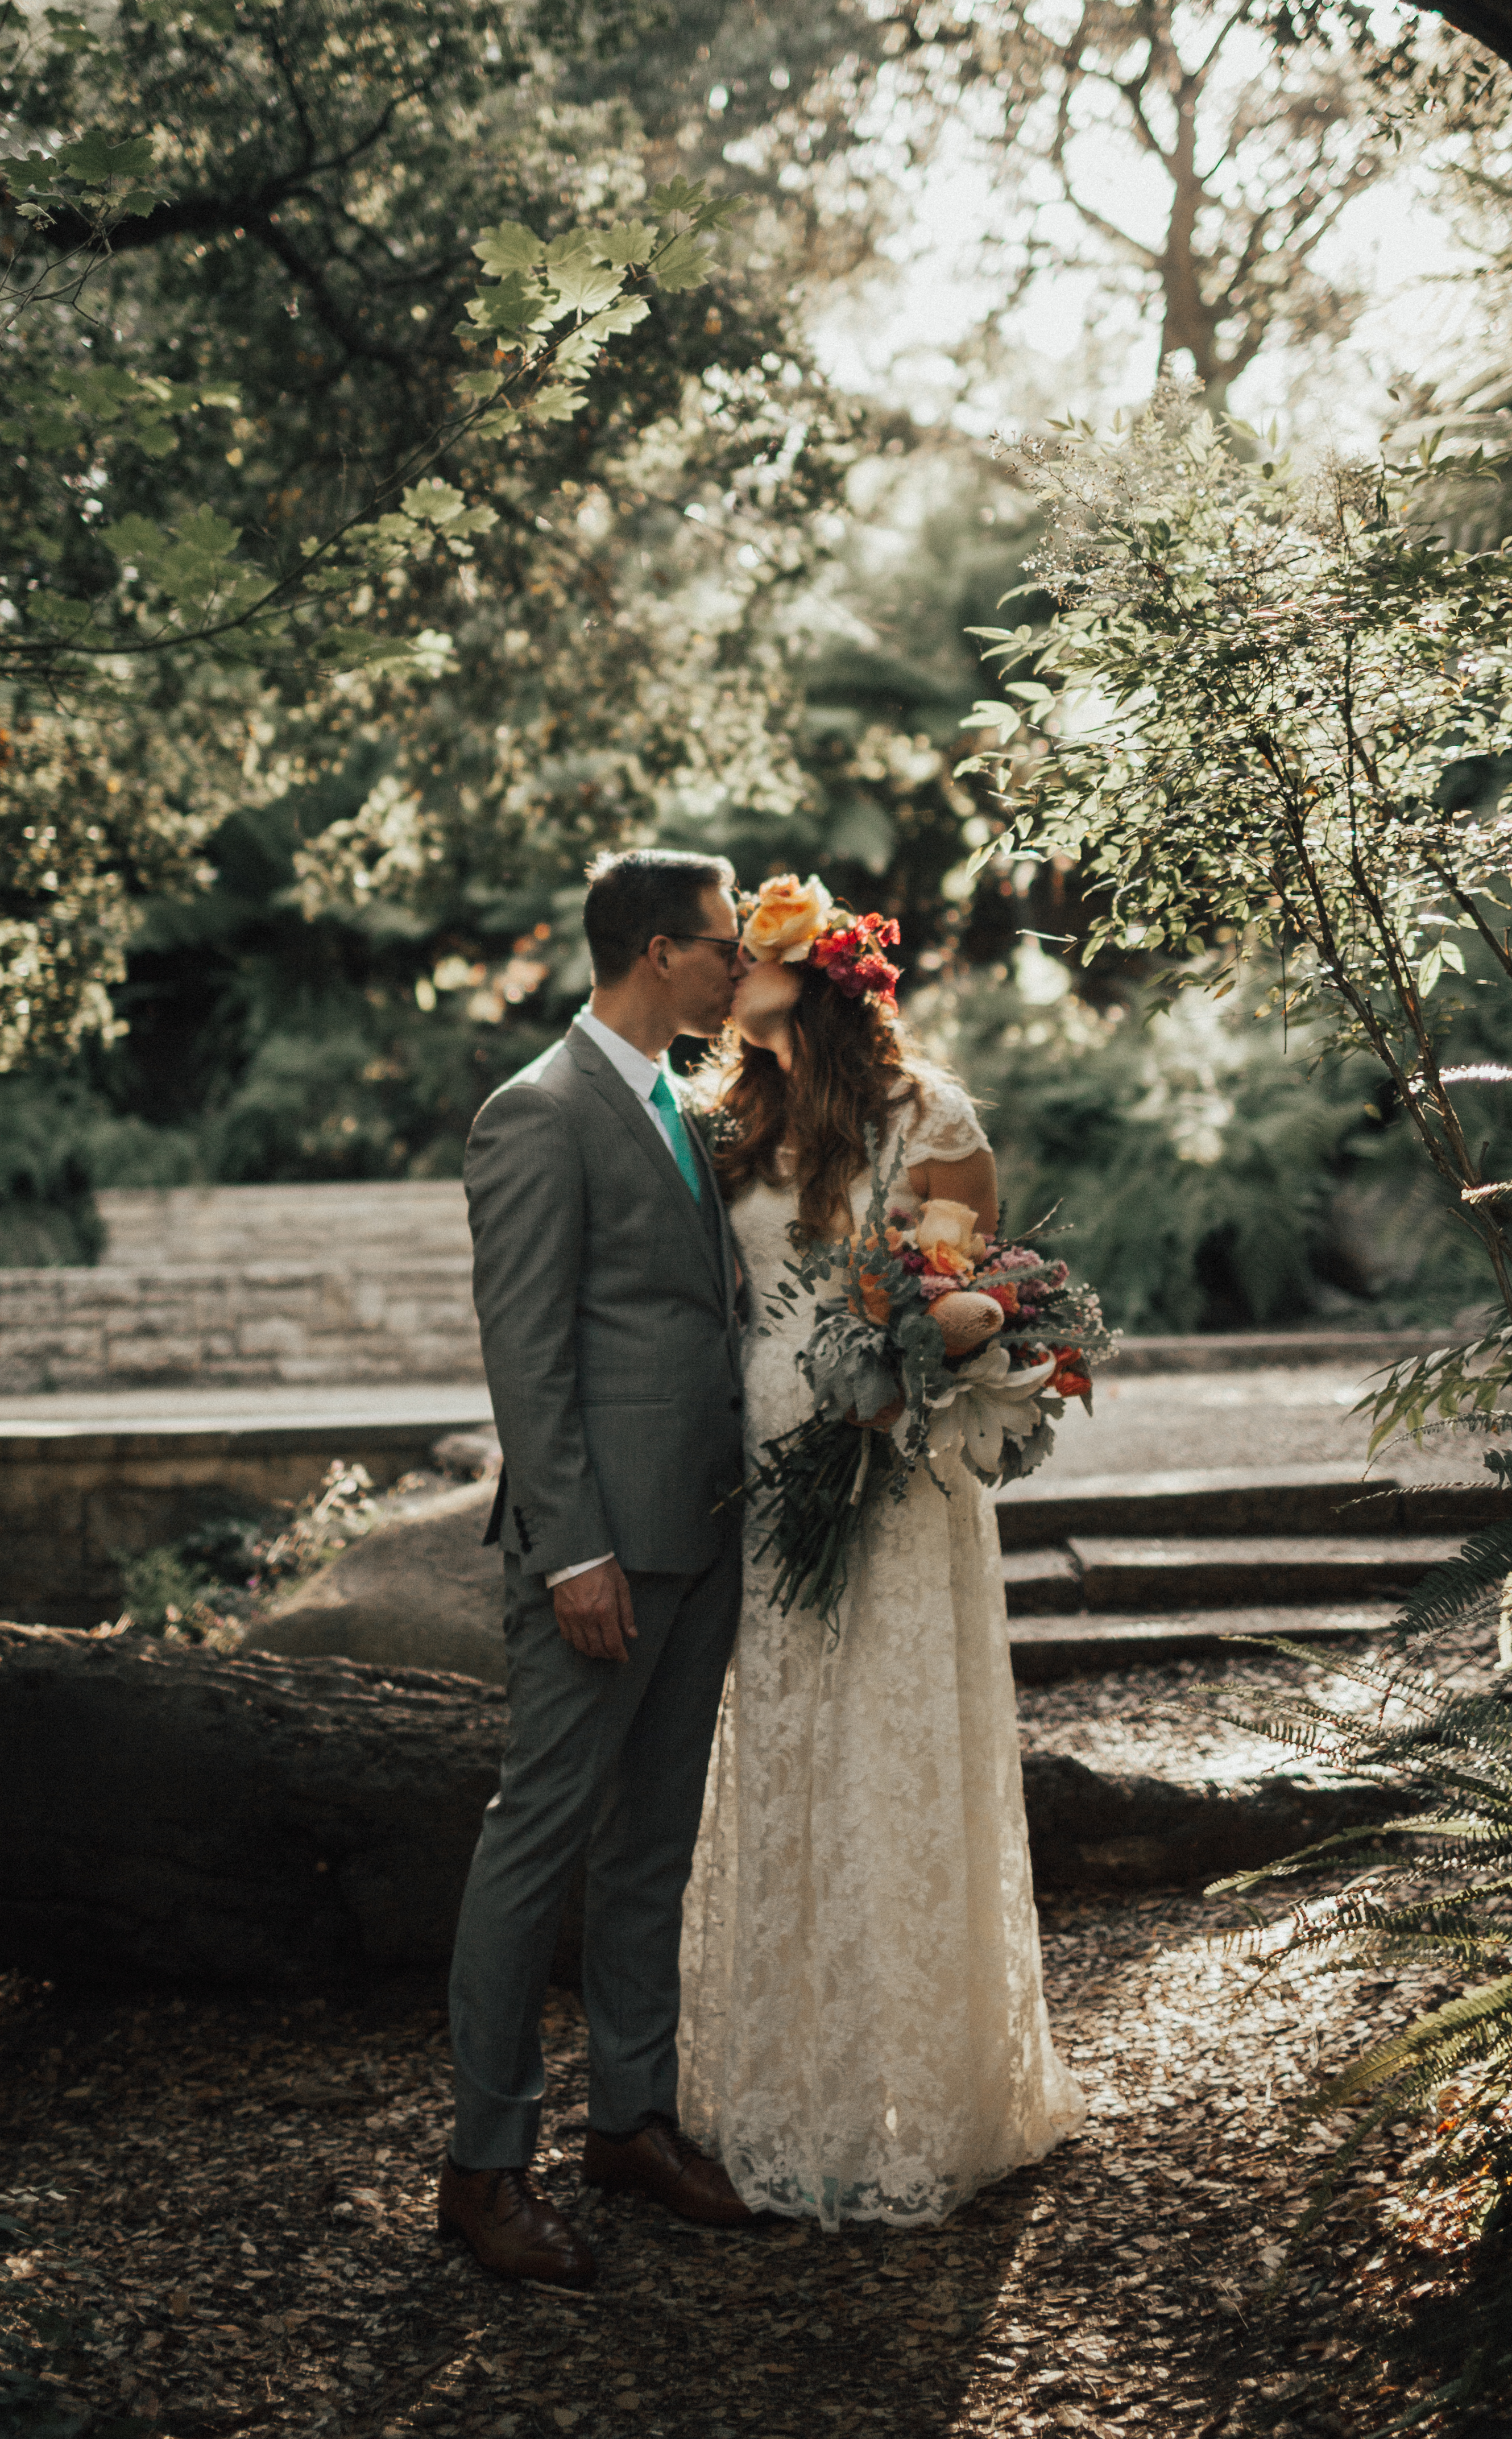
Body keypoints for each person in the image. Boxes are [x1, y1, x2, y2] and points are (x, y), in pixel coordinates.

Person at [677, 876, 1087, 2226]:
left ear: (819, 977)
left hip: (890, 1478)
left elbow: (949, 1295)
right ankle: (786, 2087)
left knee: (897, 1754)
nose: (731, 967)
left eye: (755, 951)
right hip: (761, 1478)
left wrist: (897, 1391)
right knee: (789, 1753)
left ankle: (928, 2090)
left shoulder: (931, 1119)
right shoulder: (721, 1117)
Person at [440, 847, 765, 2288]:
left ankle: (628, 2118)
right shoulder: (537, 1113)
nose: (740, 963)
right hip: (598, 1557)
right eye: (721, 940)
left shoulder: (678, 1103)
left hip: (699, 1531)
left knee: (653, 1846)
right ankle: (481, 2167)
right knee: (536, 1847)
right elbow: (527, 1355)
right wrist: (572, 1546)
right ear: (652, 949)